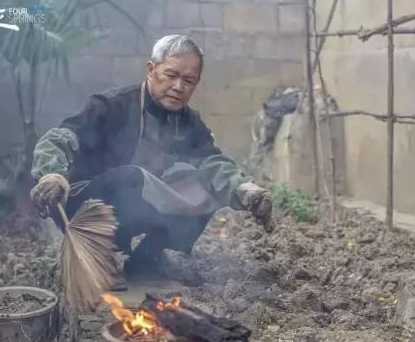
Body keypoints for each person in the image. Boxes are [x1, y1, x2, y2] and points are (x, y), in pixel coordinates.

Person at [29, 34, 273, 288]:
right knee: (132, 178)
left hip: (137, 204)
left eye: (188, 81)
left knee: (205, 185)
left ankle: (149, 259)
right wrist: (52, 174)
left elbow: (212, 161)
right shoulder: (113, 105)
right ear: (151, 70)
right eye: (171, 75)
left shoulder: (187, 120)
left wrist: (244, 188)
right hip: (81, 206)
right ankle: (99, 256)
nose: (179, 86)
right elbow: (60, 138)